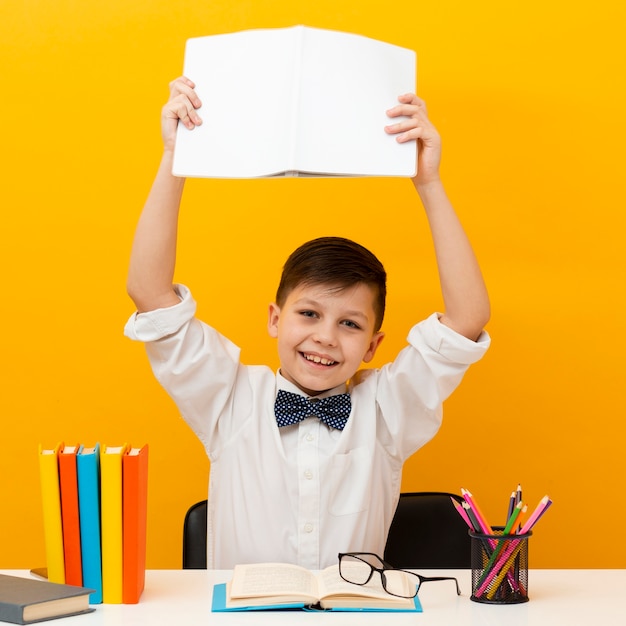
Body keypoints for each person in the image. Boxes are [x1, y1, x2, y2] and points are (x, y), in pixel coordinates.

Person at [125, 77, 491, 569]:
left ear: (372, 346)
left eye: (350, 324)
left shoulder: (388, 409)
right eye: (309, 314)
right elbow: (150, 294)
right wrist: (177, 157)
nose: (325, 336)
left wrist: (429, 182)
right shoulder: (228, 397)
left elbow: (467, 319)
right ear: (275, 319)